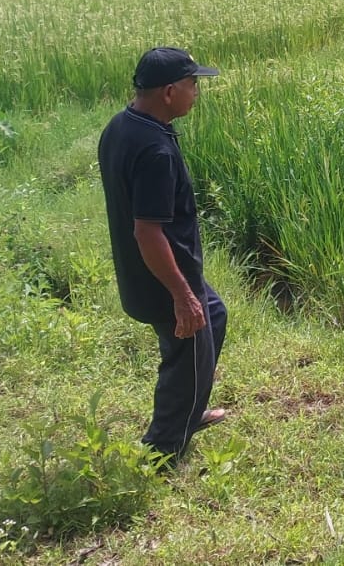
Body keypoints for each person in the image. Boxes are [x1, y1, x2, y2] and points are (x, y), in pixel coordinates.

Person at [98, 46, 228, 463]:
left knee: (215, 314)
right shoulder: (155, 150)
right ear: (169, 92)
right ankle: (163, 450)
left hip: (144, 271)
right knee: (187, 355)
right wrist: (182, 295)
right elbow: (148, 232)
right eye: (192, 85)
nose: (197, 93)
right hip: (163, 276)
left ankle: (188, 411)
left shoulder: (121, 126)